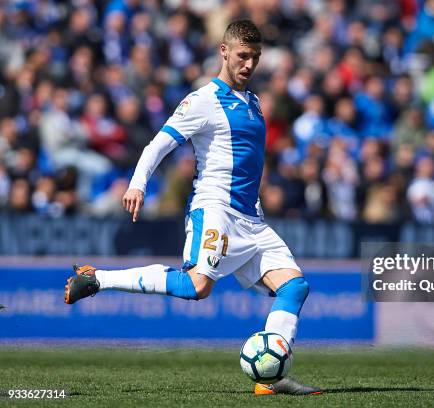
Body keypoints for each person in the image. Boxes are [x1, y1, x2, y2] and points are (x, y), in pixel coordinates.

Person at [64, 20, 321, 396]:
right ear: (224, 52)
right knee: (196, 286)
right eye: (242, 56)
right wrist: (138, 183)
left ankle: (270, 379)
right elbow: (158, 144)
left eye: (255, 57)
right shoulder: (203, 100)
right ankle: (97, 278)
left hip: (251, 218)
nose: (249, 64)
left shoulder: (253, 101)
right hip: (215, 208)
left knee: (295, 287)